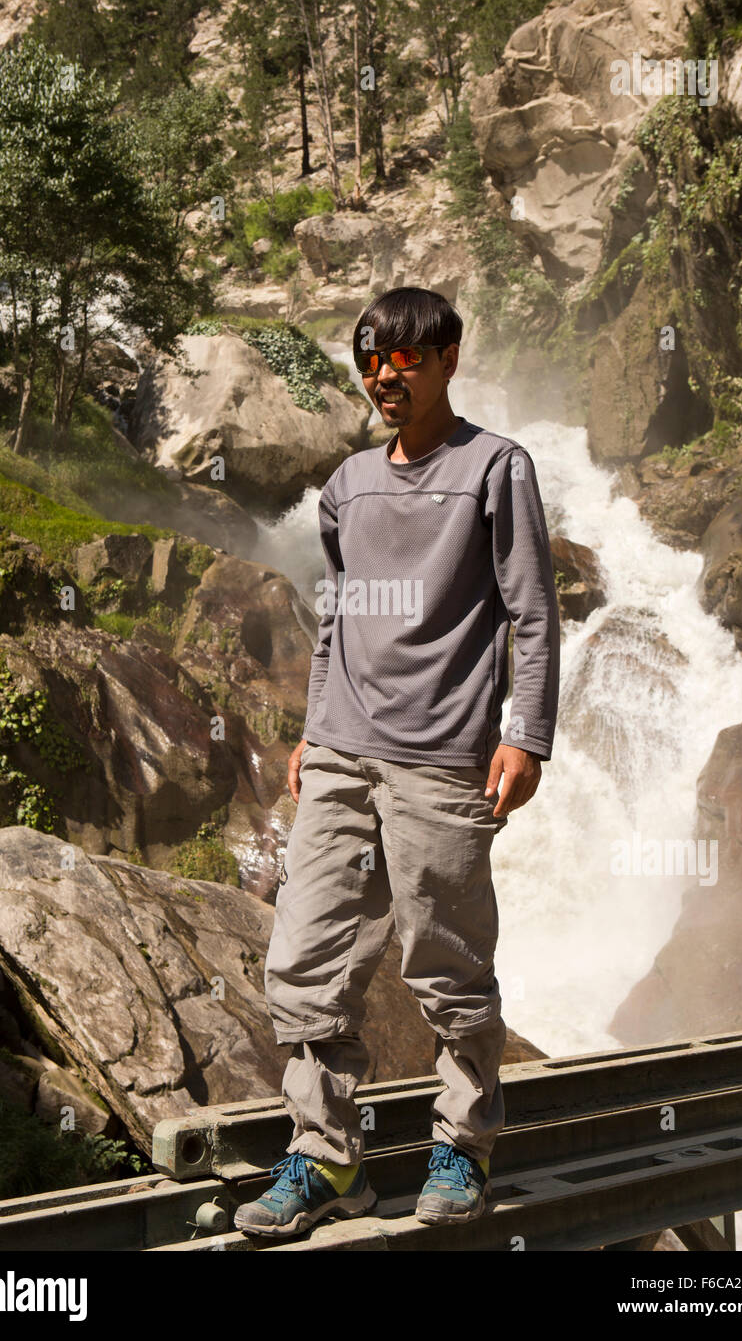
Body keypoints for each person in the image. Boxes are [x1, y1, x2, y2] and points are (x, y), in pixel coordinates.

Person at [234, 286, 560, 1238]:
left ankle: (462, 1143)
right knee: (304, 957)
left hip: (444, 757)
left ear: (449, 358)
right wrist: (312, 725)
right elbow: (337, 615)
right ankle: (327, 1160)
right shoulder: (345, 486)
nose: (384, 374)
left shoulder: (496, 469)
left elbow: (532, 612)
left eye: (404, 357)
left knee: (447, 965)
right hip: (341, 751)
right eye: (370, 359)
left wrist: (526, 734)